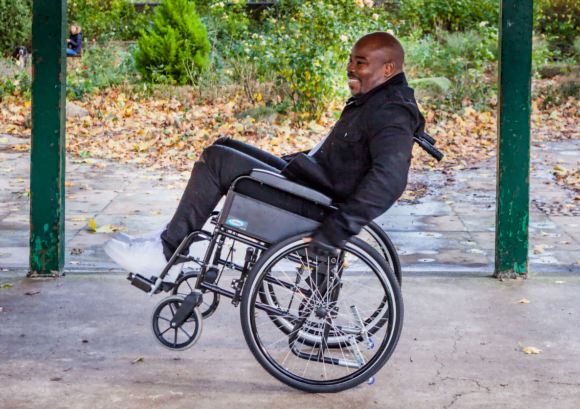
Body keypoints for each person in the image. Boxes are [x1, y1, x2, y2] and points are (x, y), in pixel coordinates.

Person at [103, 31, 425, 284]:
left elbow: (390, 179)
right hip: (311, 181)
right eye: (351, 60)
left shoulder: (392, 112)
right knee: (224, 144)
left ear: (387, 68)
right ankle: (172, 238)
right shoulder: (379, 98)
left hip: (317, 202)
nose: (350, 68)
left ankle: (166, 254)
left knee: (217, 160)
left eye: (360, 62)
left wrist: (337, 230)